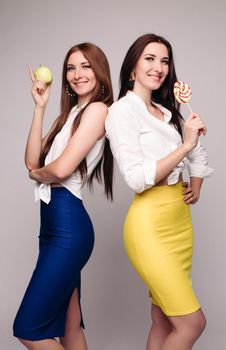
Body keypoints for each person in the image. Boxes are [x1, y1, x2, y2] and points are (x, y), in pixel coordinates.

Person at [105, 33, 214, 350]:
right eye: (150, 59)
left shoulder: (165, 113)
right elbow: (138, 179)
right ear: (132, 68)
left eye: (164, 60)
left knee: (164, 320)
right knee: (193, 324)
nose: (159, 67)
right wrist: (187, 144)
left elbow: (195, 154)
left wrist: (195, 183)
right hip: (149, 225)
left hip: (179, 222)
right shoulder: (123, 112)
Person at [13, 42, 113, 350]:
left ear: (100, 72)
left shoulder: (97, 109)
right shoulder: (68, 117)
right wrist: (40, 108)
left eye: (86, 66)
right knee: (70, 327)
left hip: (69, 226)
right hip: (52, 226)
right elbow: (32, 161)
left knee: (28, 328)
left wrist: (37, 175)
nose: (77, 74)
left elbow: (59, 170)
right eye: (71, 67)